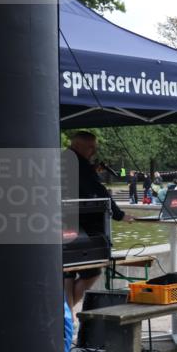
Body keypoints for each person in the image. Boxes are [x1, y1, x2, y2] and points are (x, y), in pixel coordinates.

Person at [62, 132, 134, 316]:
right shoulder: (76, 163)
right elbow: (98, 191)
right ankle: (67, 317)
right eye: (90, 147)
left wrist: (91, 171)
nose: (94, 151)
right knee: (82, 272)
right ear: (77, 145)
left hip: (68, 223)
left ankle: (66, 317)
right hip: (78, 225)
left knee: (71, 273)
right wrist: (119, 215)